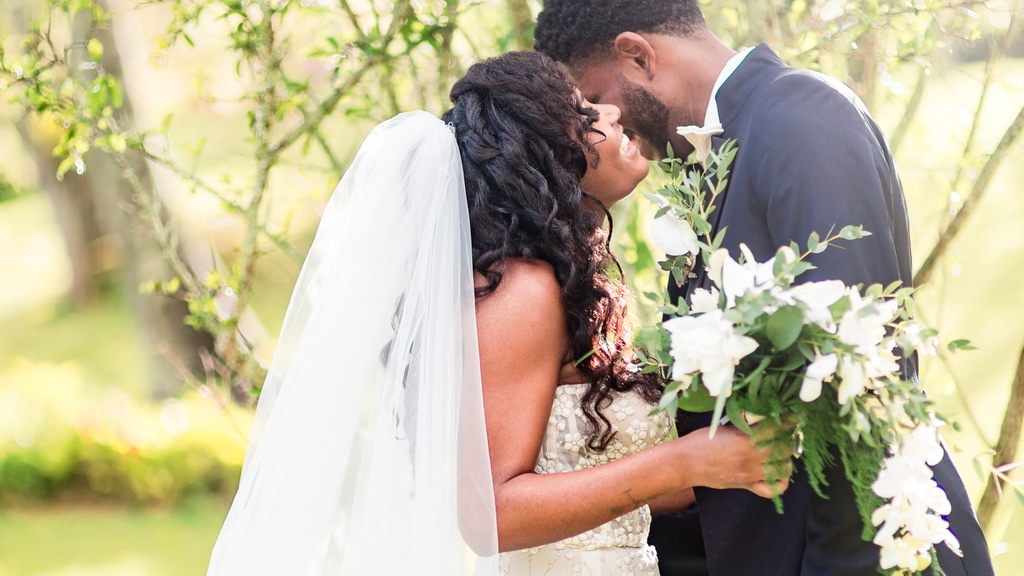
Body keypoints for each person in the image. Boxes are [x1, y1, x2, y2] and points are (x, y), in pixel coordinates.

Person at [205, 51, 789, 576]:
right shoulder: (524, 290)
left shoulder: (566, 280)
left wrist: (728, 459)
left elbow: (593, 478)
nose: (610, 112)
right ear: (541, 153)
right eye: (583, 109)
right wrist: (684, 460)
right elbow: (491, 514)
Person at [533, 3, 995, 576]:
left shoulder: (803, 119)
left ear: (637, 55)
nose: (604, 120)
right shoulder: (716, 160)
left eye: (598, 95)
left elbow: (859, 386)